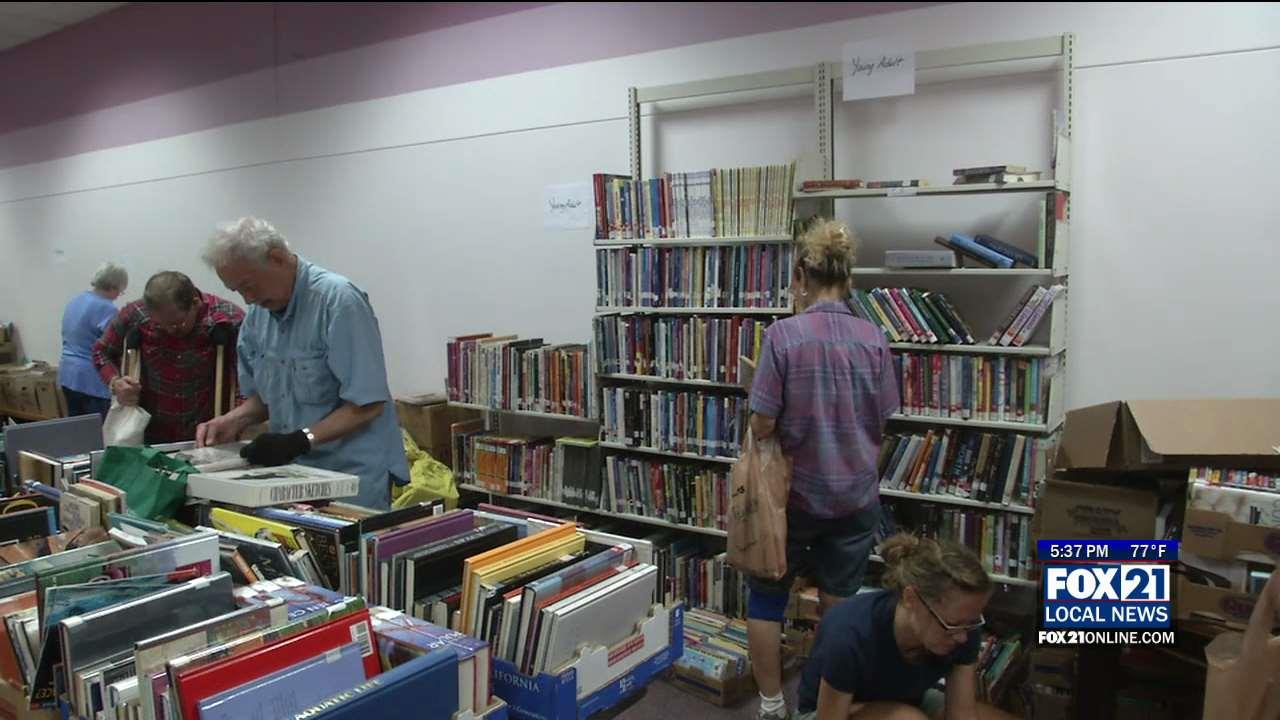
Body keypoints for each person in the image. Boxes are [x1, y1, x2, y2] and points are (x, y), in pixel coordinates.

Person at [745, 218, 900, 720]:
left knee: (767, 597)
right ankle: (821, 708)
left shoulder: (783, 337)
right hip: (855, 497)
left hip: (793, 499)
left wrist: (757, 401)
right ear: (847, 276)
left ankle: (771, 706)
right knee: (840, 606)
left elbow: (764, 425)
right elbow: (883, 419)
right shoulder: (874, 338)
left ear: (802, 274)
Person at [195, 217, 409, 510]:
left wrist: (300, 440)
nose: (248, 298)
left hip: (350, 476)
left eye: (249, 285)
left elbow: (368, 403)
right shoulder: (257, 318)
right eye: (237, 291)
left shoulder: (338, 302)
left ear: (277, 258)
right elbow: (265, 399)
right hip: (293, 473)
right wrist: (233, 420)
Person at [796, 534, 1016, 720]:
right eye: (952, 625)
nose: (962, 638)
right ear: (911, 598)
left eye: (971, 623)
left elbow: (961, 713)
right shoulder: (849, 633)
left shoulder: (963, 624)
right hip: (830, 710)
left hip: (909, 698)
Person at [92, 271, 245, 443]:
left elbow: (245, 379)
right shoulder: (136, 313)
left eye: (177, 324)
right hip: (151, 432)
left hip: (208, 431)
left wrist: (236, 421)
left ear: (195, 303)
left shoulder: (229, 319)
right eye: (159, 325)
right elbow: (101, 351)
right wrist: (115, 383)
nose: (169, 330)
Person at [59, 262, 129, 419]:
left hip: (67, 374)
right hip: (91, 380)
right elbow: (113, 347)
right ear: (112, 286)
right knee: (98, 433)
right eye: (120, 290)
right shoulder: (107, 309)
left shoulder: (76, 300)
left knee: (77, 430)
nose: (118, 295)